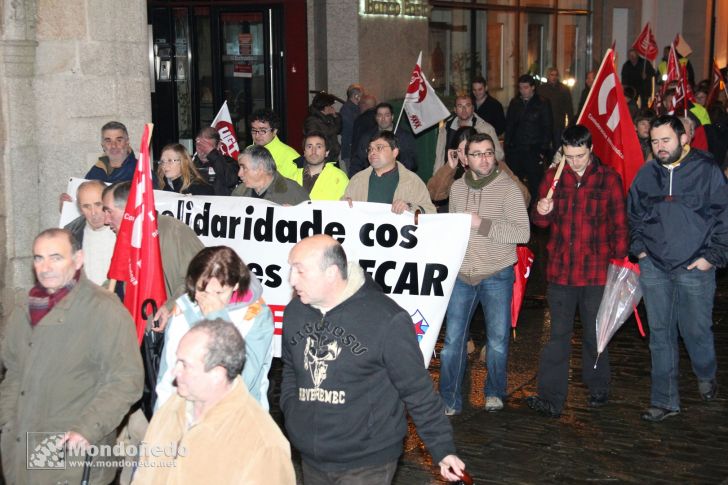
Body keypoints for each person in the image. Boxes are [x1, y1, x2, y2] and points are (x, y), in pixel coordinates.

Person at [281, 235, 466, 483]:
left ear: (331, 273)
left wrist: (442, 448)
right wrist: (293, 412)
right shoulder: (295, 312)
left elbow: (416, 389)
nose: (292, 280)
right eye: (291, 269)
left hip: (367, 461)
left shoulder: (386, 319)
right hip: (312, 457)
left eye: (300, 271)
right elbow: (291, 370)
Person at [0, 228, 143, 485]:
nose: (45, 267)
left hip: (72, 454)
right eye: (38, 258)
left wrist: (86, 430)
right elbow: (13, 372)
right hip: (19, 450)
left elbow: (126, 381)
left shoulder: (104, 309)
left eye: (56, 257)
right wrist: (7, 421)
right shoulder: (25, 308)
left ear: (78, 260)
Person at [627, 115, 727, 422]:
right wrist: (639, 249)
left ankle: (706, 372)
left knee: (695, 330)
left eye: (665, 140)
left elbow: (724, 216)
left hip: (695, 266)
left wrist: (712, 256)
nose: (659, 147)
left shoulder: (707, 171)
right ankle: (665, 400)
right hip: (655, 265)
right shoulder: (647, 174)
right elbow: (632, 215)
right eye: (654, 141)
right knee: (660, 334)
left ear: (684, 138)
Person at [527, 125, 628, 418]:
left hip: (596, 271)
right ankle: (550, 397)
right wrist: (542, 211)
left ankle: (598, 386)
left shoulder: (608, 179)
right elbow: (540, 222)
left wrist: (620, 264)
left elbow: (620, 224)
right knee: (557, 335)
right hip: (561, 271)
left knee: (595, 334)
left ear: (591, 149)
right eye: (569, 157)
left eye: (580, 156)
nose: (574, 163)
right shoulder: (553, 177)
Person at [135, 319, 295, 484]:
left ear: (217, 374)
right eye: (177, 361)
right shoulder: (171, 408)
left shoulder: (263, 444)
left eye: (185, 365)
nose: (175, 371)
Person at [439, 133, 530, 415]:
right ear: (465, 159)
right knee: (453, 342)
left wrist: (481, 224)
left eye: (488, 152)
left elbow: (522, 232)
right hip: (462, 276)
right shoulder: (456, 189)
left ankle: (494, 391)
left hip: (496, 274)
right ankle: (449, 398)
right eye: (477, 153)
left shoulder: (508, 189)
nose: (484, 159)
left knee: (498, 340)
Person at [156, 246, 273, 410]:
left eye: (219, 293)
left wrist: (217, 319)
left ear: (236, 285)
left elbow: (242, 380)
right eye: (202, 290)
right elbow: (167, 376)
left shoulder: (256, 316)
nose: (208, 300)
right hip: (185, 419)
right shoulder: (183, 308)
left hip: (236, 420)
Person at [102, 181, 204, 308]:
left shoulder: (175, 232)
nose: (105, 220)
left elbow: (200, 277)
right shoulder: (127, 239)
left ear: (129, 208)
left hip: (167, 322)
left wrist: (169, 309)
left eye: (109, 211)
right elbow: (117, 282)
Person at [428, 127, 530, 213]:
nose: (464, 155)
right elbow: (435, 196)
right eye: (460, 150)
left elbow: (524, 199)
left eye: (468, 150)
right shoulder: (454, 169)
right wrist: (449, 168)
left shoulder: (495, 166)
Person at [344, 130, 435, 214]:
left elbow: (430, 212)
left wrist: (409, 207)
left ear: (395, 152)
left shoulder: (412, 181)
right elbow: (342, 209)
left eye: (379, 147)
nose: (373, 152)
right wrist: (344, 205)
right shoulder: (357, 180)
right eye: (370, 149)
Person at [505, 74, 553, 201]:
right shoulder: (515, 103)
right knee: (515, 184)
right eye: (520, 88)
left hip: (534, 150)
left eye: (526, 88)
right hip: (516, 150)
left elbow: (547, 127)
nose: (523, 91)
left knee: (535, 185)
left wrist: (542, 150)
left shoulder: (542, 103)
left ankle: (534, 213)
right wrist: (507, 147)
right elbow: (509, 126)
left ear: (532, 88)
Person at [64, 180, 116, 286]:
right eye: (86, 206)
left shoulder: (126, 230)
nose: (93, 212)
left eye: (98, 204)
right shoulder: (69, 234)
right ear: (79, 208)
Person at [434, 95, 504, 173]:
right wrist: (437, 176)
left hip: (477, 175)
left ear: (473, 108)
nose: (464, 110)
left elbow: (499, 154)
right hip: (450, 176)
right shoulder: (446, 128)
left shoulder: (485, 129)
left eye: (467, 105)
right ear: (455, 109)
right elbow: (439, 157)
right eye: (460, 106)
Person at [349, 102, 418, 176]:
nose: (383, 119)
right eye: (380, 115)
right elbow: (357, 161)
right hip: (373, 178)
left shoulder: (404, 137)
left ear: (392, 117)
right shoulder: (367, 136)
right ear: (376, 118)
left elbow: (411, 162)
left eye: (387, 115)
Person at [232, 145, 309, 204]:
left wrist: (295, 214)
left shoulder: (293, 193)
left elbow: (311, 220)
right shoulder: (238, 193)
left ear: (260, 168)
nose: (239, 174)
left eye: (244, 168)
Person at [291, 131, 349, 200]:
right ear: (304, 152)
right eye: (309, 147)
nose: (313, 151)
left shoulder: (339, 177)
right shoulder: (293, 177)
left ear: (326, 152)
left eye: (318, 147)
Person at [249, 108, 299, 179]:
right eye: (254, 130)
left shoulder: (291, 157)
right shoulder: (248, 150)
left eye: (263, 131)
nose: (257, 135)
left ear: (274, 131)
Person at [192, 126, 240, 195]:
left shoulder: (228, 162)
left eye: (207, 147)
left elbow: (230, 180)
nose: (203, 151)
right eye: (199, 146)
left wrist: (212, 153)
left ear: (218, 145)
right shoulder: (190, 163)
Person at [537, 68, 575, 152]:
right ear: (548, 76)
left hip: (558, 124)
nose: (554, 77)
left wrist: (570, 123)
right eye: (552, 75)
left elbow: (569, 107)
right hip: (544, 124)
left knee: (557, 147)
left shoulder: (563, 89)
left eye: (555, 75)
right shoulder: (541, 89)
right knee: (544, 148)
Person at [303, 92, 342, 163]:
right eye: (330, 105)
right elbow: (323, 134)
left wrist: (335, 116)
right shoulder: (312, 120)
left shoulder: (328, 117)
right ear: (325, 107)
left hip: (332, 156)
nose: (332, 108)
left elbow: (338, 129)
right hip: (322, 157)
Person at [339, 83, 362, 167]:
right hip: (350, 150)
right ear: (356, 96)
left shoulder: (354, 109)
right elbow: (350, 131)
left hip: (353, 149)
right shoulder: (347, 110)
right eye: (361, 95)